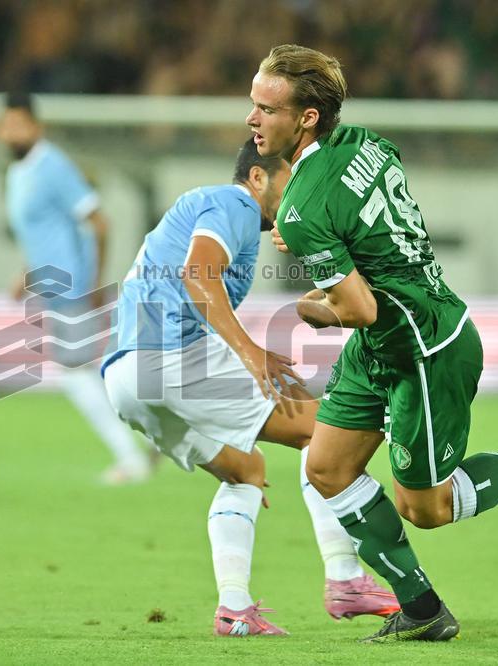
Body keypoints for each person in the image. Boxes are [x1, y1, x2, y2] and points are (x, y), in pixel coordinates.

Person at [249, 44, 498, 642]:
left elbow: (356, 307)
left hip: (425, 348)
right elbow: (367, 227)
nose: (252, 119)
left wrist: (309, 308)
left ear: (307, 117)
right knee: (325, 467)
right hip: (385, 343)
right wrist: (317, 240)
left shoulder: (300, 208)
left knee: (426, 509)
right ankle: (423, 609)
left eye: (266, 108)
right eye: (253, 105)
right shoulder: (367, 142)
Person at [101, 138, 399, 637]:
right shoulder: (234, 202)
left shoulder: (211, 210)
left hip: (126, 377)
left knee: (246, 471)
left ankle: (234, 609)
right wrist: (250, 351)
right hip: (173, 355)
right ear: (258, 177)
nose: (298, 193)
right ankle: (345, 577)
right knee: (327, 432)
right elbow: (198, 274)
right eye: (291, 182)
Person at [0, 91, 152, 485]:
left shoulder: (53, 165)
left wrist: (94, 283)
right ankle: (156, 437)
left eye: (19, 124)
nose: (12, 132)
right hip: (53, 286)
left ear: (36, 126)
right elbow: (44, 231)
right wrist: (26, 273)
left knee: (75, 373)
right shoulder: (18, 172)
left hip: (73, 286)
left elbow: (99, 223)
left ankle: (133, 457)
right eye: (6, 125)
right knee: (95, 370)